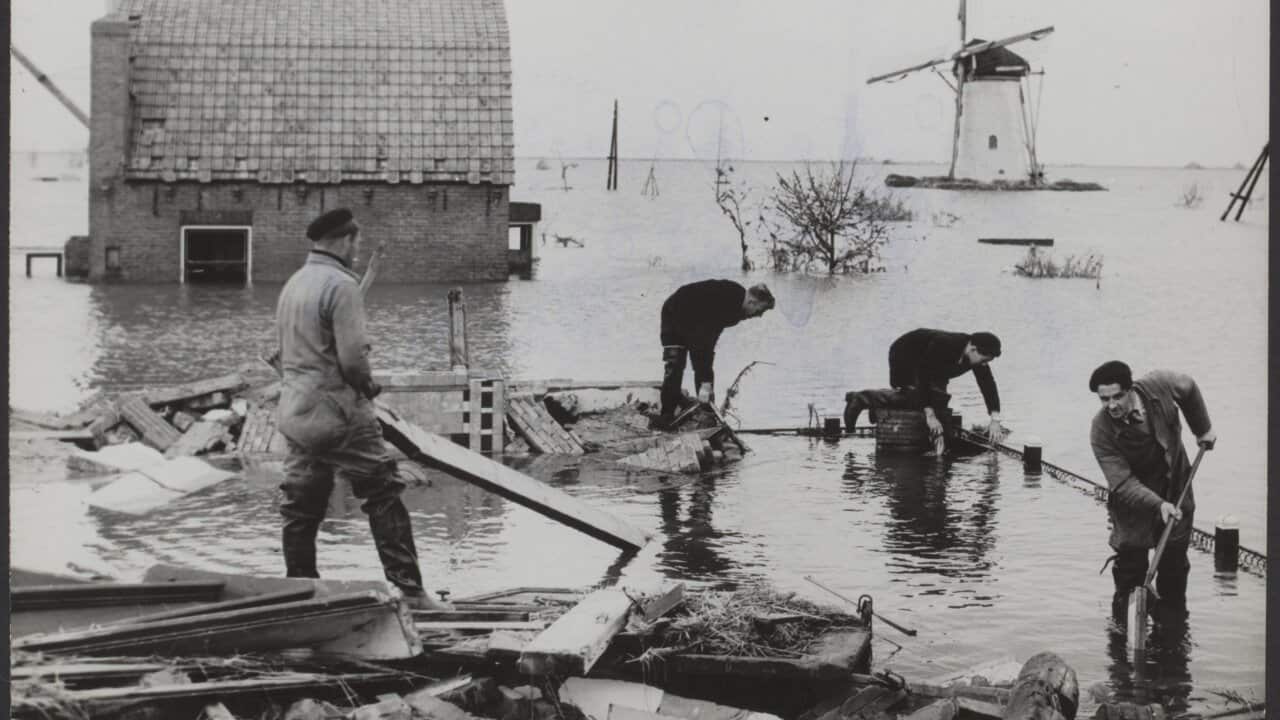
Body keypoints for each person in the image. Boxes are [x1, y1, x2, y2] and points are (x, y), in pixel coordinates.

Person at [274, 208, 448, 610]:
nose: (358, 251)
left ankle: (300, 593)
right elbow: (352, 359)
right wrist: (369, 388)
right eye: (357, 243)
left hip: (295, 413)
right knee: (382, 491)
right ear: (346, 241)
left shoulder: (294, 284)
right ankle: (411, 591)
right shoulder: (342, 285)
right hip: (337, 413)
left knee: (301, 506)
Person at [1088, 361, 1215, 618]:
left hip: (1177, 492)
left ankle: (1172, 635)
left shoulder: (1160, 385)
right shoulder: (1101, 429)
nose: (1111, 405)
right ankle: (1125, 637)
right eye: (1104, 399)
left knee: (1173, 570)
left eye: (1117, 396)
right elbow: (1122, 483)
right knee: (1130, 576)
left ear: (1130, 389)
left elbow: (1187, 386)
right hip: (1133, 505)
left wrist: (1203, 429)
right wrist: (1158, 505)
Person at [842, 328, 1005, 443]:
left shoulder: (975, 355)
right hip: (906, 355)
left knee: (940, 401)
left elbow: (987, 384)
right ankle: (861, 398)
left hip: (935, 367)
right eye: (983, 360)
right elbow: (923, 375)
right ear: (973, 349)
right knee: (913, 397)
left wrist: (995, 419)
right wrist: (930, 414)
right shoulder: (945, 344)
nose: (983, 364)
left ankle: (881, 406)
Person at [659, 280, 775, 423]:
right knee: (675, 363)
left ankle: (707, 413)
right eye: (759, 311)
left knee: (703, 367)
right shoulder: (728, 299)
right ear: (752, 301)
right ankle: (666, 415)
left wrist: (705, 380)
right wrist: (705, 382)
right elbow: (702, 343)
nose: (758, 316)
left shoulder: (736, 308)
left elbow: (708, 342)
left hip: (694, 322)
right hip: (674, 311)